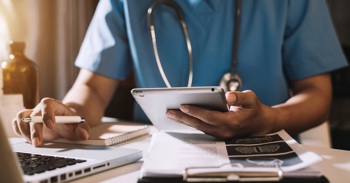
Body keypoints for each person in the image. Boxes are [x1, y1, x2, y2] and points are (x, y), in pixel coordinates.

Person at [13, 0, 348, 146]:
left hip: (264, 152)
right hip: (158, 155)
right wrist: (67, 116)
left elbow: (318, 94)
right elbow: (93, 88)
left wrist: (270, 119)